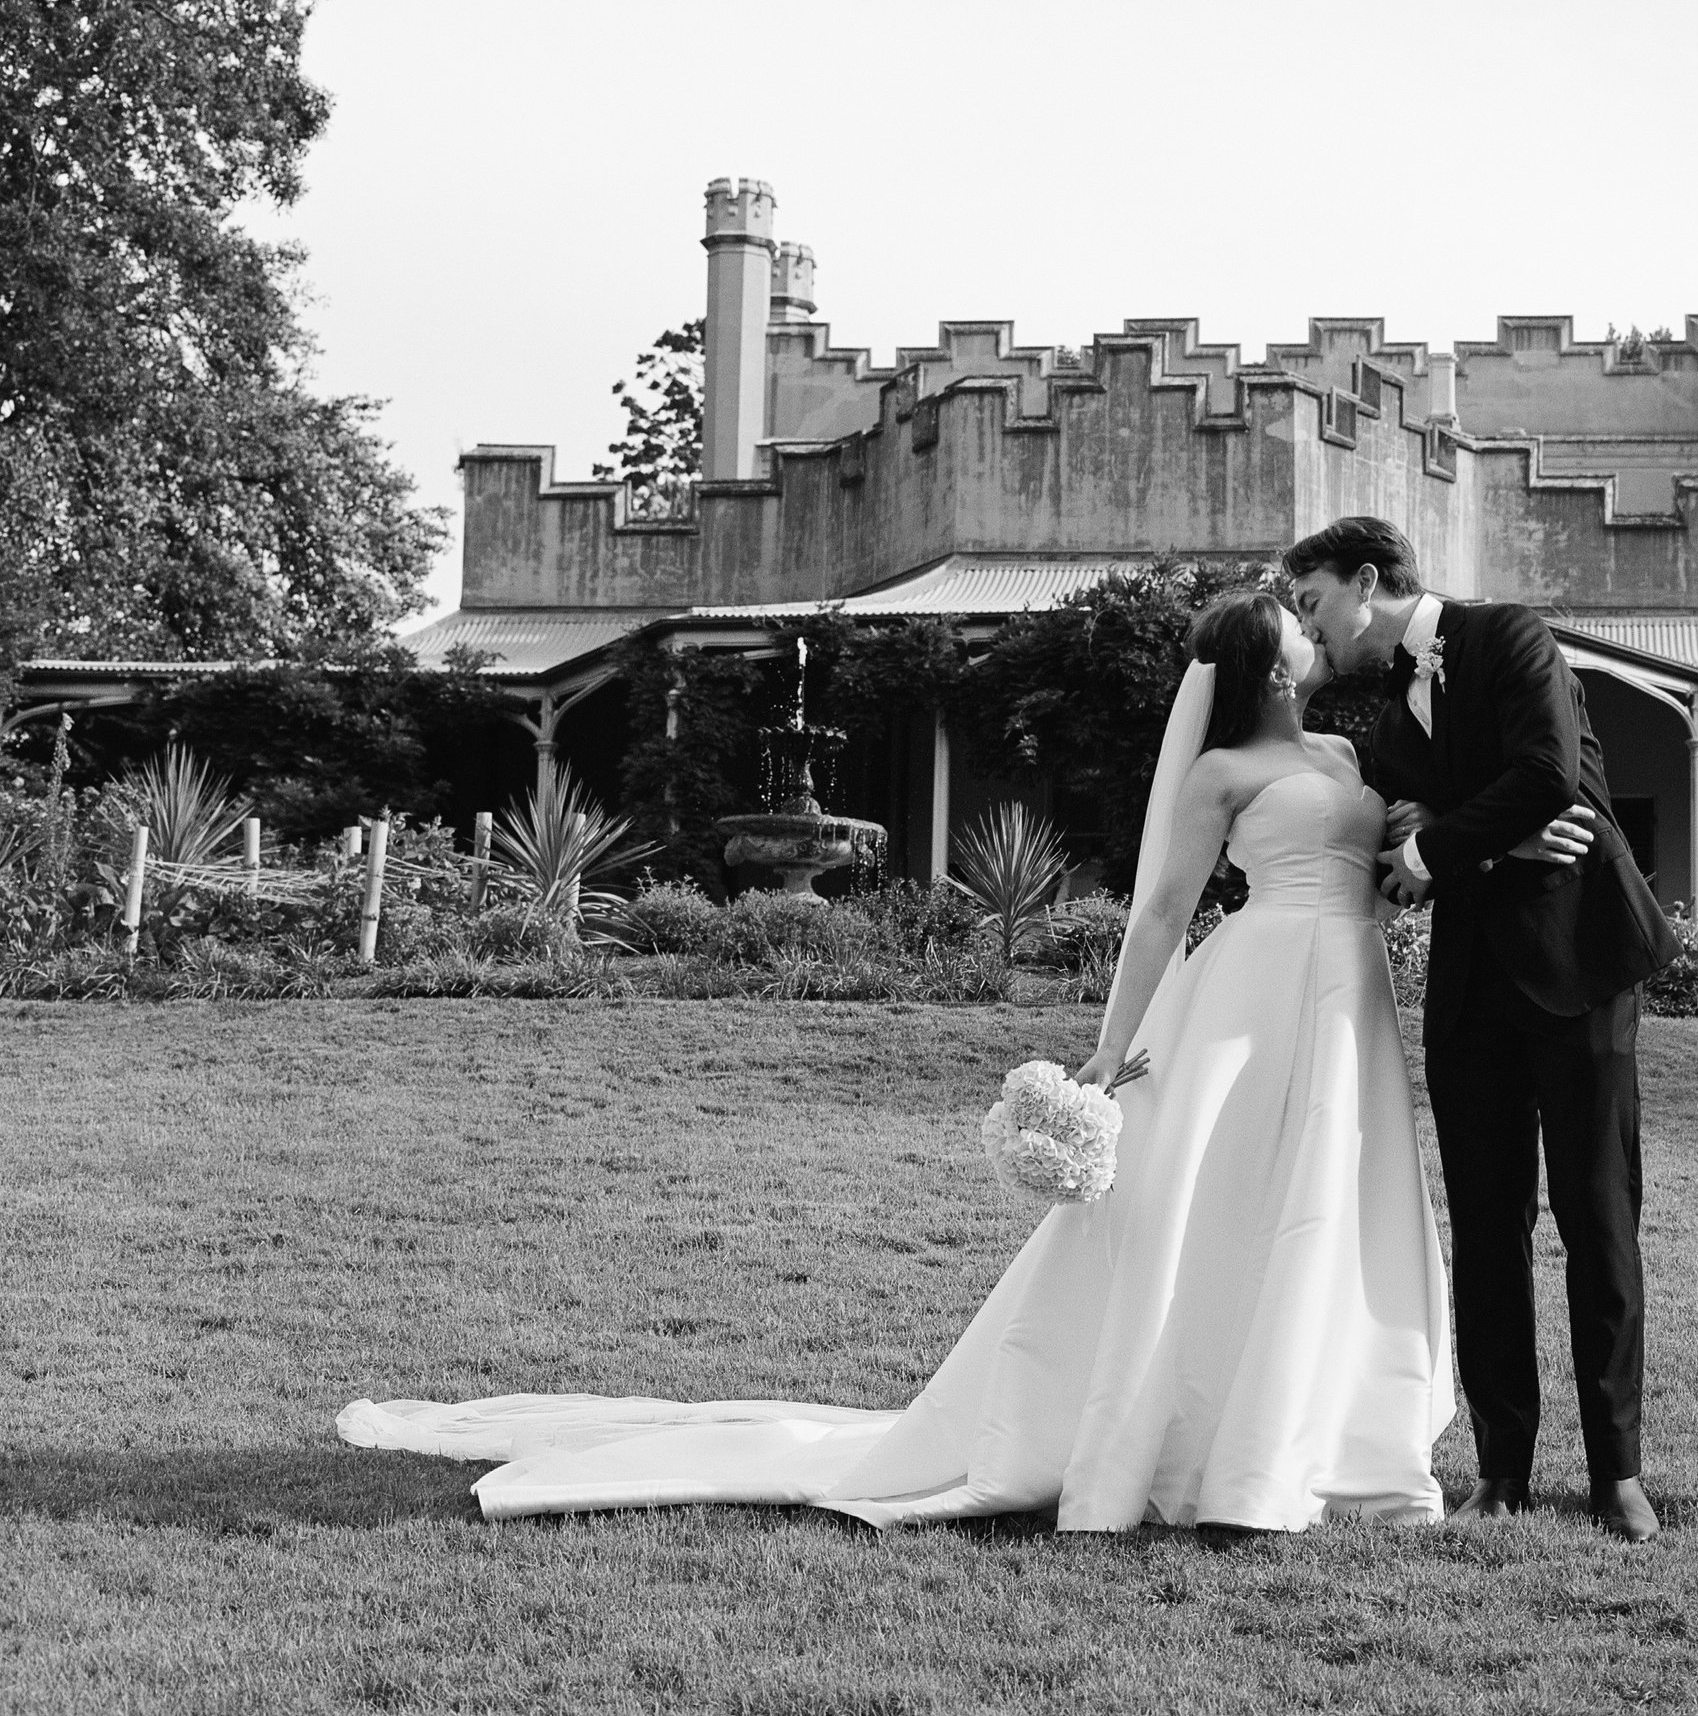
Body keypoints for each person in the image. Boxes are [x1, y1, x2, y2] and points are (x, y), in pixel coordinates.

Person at [339, 590, 1585, 1532]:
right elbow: (1159, 911)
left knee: (1327, 1204)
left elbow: (1426, 819)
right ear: (1269, 663)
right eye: (1297, 631)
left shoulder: (1348, 757)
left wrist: (1502, 825)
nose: (1317, 635)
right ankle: (1197, 1444)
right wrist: (1112, 1048)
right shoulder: (1219, 770)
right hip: (1255, 988)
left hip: (1351, 992)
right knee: (1217, 1203)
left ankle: (1318, 1435)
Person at [1285, 517, 1679, 1544]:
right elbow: (1403, 832)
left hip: (1580, 969)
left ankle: (1618, 1476)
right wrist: (1468, 844)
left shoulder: (1508, 636)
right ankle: (1501, 1473)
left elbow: (1551, 779)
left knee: (1597, 1221)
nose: (1311, 627)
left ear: (1368, 583)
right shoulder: (1386, 723)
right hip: (1470, 993)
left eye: (1317, 601)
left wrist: (1438, 845)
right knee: (1487, 1229)